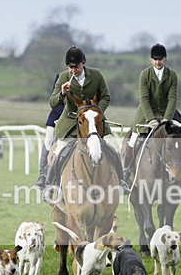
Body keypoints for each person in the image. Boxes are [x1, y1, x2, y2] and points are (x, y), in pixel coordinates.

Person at [35, 46, 128, 195]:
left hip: (94, 121)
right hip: (71, 122)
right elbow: (52, 103)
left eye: (76, 67)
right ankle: (50, 185)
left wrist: (96, 112)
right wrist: (62, 93)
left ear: (83, 63)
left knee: (113, 148)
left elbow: (106, 97)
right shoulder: (63, 78)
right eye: (70, 67)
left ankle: (121, 182)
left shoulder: (96, 75)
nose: (73, 70)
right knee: (58, 152)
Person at [122, 43, 181, 179]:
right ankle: (127, 169)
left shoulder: (172, 75)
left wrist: (167, 118)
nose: (157, 62)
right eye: (155, 59)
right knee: (133, 139)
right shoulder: (144, 75)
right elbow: (144, 99)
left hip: (168, 112)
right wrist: (150, 119)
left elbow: (172, 98)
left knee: (180, 138)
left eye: (160, 59)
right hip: (146, 112)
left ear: (165, 59)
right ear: (151, 60)